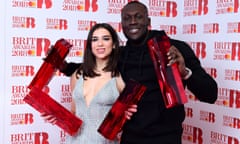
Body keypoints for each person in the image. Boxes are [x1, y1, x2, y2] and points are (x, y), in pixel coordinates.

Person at [61, 1, 218, 144]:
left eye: (138, 17)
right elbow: (91, 67)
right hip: (130, 138)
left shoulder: (175, 49)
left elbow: (211, 94)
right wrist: (63, 66)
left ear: (148, 21)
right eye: (127, 18)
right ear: (122, 24)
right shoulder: (119, 56)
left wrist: (184, 72)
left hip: (167, 138)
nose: (133, 22)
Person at [42, 23, 137, 144]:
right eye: (95, 39)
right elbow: (74, 113)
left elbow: (126, 121)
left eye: (106, 39)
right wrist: (57, 117)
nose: (100, 43)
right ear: (90, 45)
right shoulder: (77, 74)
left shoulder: (120, 78)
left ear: (113, 44)